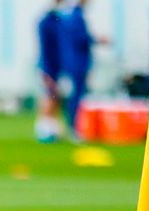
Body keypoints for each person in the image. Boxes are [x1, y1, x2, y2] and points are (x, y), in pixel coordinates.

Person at [59, 0, 99, 140]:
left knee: (76, 96)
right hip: (77, 64)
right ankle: (73, 128)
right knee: (76, 96)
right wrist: (97, 40)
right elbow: (80, 39)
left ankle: (74, 127)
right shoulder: (76, 16)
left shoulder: (72, 14)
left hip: (74, 63)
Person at [36, 0, 66, 142]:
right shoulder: (48, 22)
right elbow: (46, 48)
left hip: (55, 64)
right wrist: (46, 70)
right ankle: (44, 128)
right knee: (49, 95)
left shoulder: (56, 20)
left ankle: (50, 127)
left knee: (54, 96)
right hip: (48, 65)